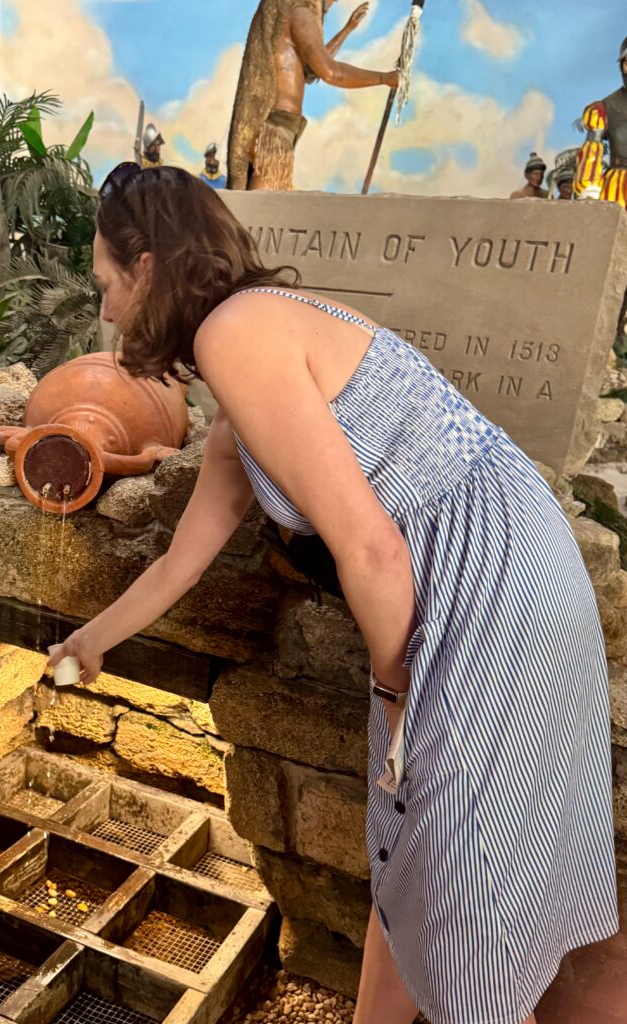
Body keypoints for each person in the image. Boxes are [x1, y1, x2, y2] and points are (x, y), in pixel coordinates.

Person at [51, 164, 618, 1024]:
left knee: (459, 853)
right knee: (415, 840)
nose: (106, 311)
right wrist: (89, 641)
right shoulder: (253, 354)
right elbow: (180, 561)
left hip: (491, 580)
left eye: (107, 283)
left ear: (149, 266)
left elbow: (374, 552)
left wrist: (394, 700)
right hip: (507, 550)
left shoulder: (234, 334)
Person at [227, 0, 398, 191]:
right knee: (262, 205)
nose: (334, 2)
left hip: (282, 124)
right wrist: (385, 78)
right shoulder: (300, 14)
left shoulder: (293, 13)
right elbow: (331, 72)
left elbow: (312, 68)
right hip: (276, 126)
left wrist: (347, 30)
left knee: (269, 202)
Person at [574, 36, 627, 208]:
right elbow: (591, 151)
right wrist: (589, 187)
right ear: (624, 66)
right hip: (618, 189)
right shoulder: (604, 109)